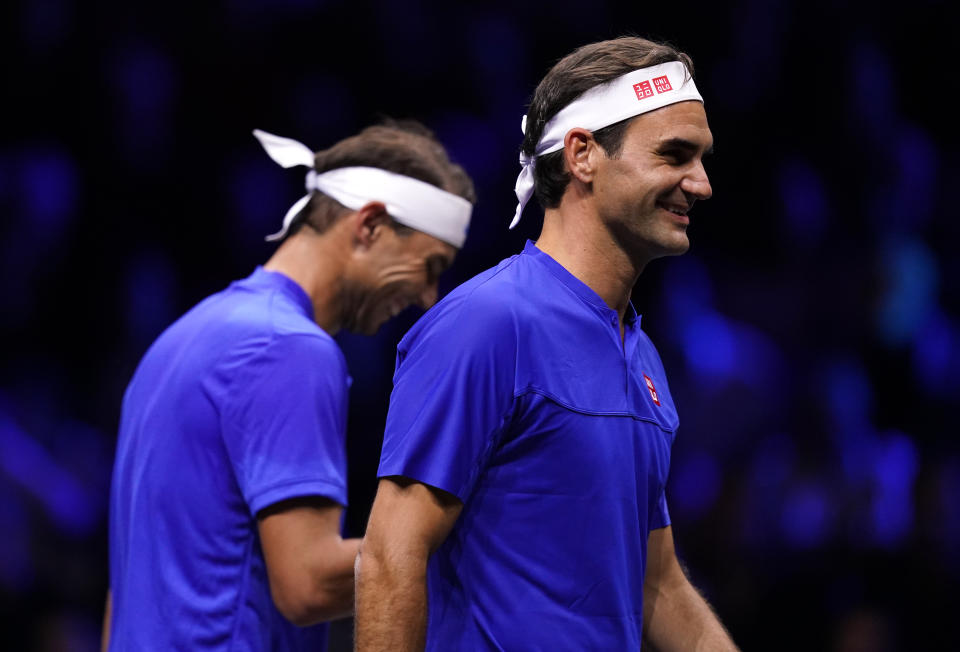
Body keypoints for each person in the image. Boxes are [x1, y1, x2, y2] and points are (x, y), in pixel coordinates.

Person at [355, 37, 739, 650]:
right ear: (583, 155)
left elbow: (658, 584)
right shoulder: (486, 324)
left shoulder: (643, 357)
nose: (701, 184)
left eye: (703, 158)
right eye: (675, 155)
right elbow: (390, 556)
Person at [103, 120, 475, 651]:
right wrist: (459, 539)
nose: (428, 297)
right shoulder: (290, 349)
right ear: (369, 225)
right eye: (430, 266)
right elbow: (307, 585)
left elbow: (124, 592)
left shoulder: (184, 335)